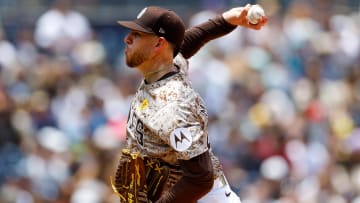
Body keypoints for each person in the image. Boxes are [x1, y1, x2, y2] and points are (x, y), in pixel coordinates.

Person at [114, 4, 267, 203]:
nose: (128, 39)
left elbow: (200, 178)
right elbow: (186, 42)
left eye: (138, 34)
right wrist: (227, 20)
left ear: (158, 45)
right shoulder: (168, 66)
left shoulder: (172, 106)